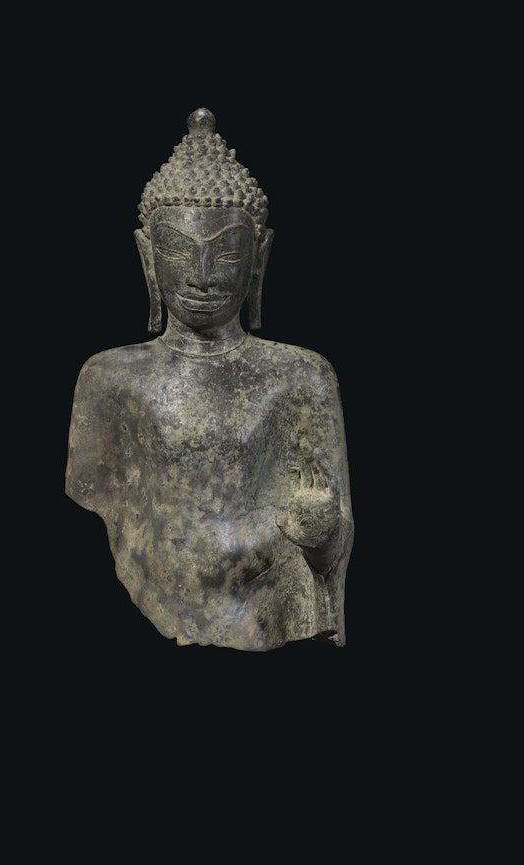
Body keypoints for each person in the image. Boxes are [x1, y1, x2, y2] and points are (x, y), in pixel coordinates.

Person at [66, 108, 354, 651]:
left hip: (264, 603)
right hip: (152, 602)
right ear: (147, 257)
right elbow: (89, 507)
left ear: (259, 259)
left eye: (226, 252)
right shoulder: (109, 377)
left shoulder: (300, 375)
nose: (202, 276)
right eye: (178, 250)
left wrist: (321, 534)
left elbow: (333, 545)